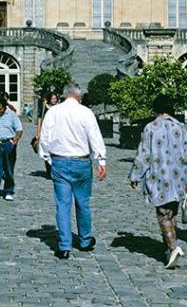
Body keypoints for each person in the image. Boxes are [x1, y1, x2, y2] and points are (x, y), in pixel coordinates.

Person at [129, 94, 187, 269]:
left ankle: (173, 247)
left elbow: (143, 154)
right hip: (178, 177)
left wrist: (136, 175)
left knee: (163, 214)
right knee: (171, 212)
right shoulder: (180, 127)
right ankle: (169, 248)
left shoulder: (150, 128)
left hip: (159, 178)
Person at [39, 83, 106, 260]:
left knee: (63, 204)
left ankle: (64, 245)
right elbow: (95, 137)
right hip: (81, 161)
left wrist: (47, 157)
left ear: (64, 95)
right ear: (79, 96)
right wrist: (101, 160)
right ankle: (84, 241)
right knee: (83, 203)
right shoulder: (86, 112)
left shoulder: (53, 112)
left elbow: (44, 137)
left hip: (60, 161)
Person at [35, 92, 59, 177]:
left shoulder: (58, 108)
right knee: (46, 151)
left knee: (55, 152)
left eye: (55, 98)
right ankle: (49, 171)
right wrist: (38, 133)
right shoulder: (44, 108)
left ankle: (55, 170)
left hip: (55, 133)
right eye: (53, 98)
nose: (54, 100)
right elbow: (39, 120)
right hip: (46, 132)